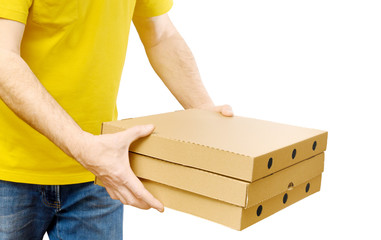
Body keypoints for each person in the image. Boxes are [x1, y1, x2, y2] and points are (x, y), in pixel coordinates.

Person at [0, 0, 233, 239]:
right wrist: (82, 146)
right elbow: (3, 57)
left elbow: (160, 34)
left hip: (100, 170)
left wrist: (203, 110)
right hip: (9, 173)